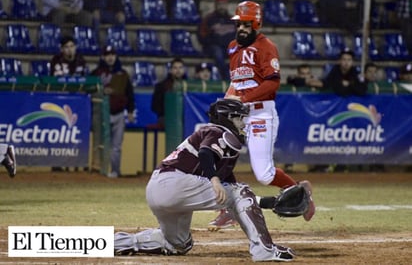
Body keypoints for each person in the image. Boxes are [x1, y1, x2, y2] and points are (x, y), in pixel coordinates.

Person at [113, 99, 295, 262]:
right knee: (239, 191)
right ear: (227, 118)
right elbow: (206, 153)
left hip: (160, 187)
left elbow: (233, 194)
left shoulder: (217, 136)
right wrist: (214, 180)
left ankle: (110, 242)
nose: (244, 123)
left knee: (178, 244)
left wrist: (269, 202)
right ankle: (264, 250)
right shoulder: (219, 131)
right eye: (240, 118)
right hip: (175, 183)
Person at [209, 1, 316, 230]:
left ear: (256, 24)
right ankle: (227, 209)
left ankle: (300, 192)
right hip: (239, 116)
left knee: (264, 175)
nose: (241, 29)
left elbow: (273, 83)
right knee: (219, 158)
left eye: (246, 25)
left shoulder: (266, 46)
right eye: (239, 24)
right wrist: (227, 100)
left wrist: (243, 100)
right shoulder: (233, 47)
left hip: (260, 116)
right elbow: (236, 82)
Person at [91, 45, 135, 178]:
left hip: (119, 113)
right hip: (101, 115)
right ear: (103, 57)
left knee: (116, 146)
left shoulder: (123, 74)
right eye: (107, 55)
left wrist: (130, 111)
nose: (110, 57)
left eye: (112, 55)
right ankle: (100, 170)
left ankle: (115, 171)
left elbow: (129, 93)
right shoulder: (96, 73)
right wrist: (101, 91)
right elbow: (90, 91)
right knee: (101, 144)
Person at [50, 35, 88, 172]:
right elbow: (53, 81)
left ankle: (78, 164)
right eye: (66, 47)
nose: (69, 50)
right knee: (59, 133)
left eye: (72, 46)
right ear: (61, 49)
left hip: (78, 104)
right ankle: (57, 164)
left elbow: (86, 82)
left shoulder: (81, 61)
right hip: (60, 103)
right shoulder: (56, 60)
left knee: (77, 134)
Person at [197, 0, 236, 81]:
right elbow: (201, 36)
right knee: (218, 52)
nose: (221, 6)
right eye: (219, 4)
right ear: (215, 5)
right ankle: (225, 78)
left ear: (227, 5)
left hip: (229, 47)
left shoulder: (232, 20)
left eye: (223, 4)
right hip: (214, 47)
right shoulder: (209, 19)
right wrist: (212, 41)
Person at [150, 58, 186, 129]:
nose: (178, 70)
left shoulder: (189, 85)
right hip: (166, 118)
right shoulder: (161, 86)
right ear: (170, 70)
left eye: (180, 68)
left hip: (186, 118)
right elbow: (155, 106)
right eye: (175, 68)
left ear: (184, 70)